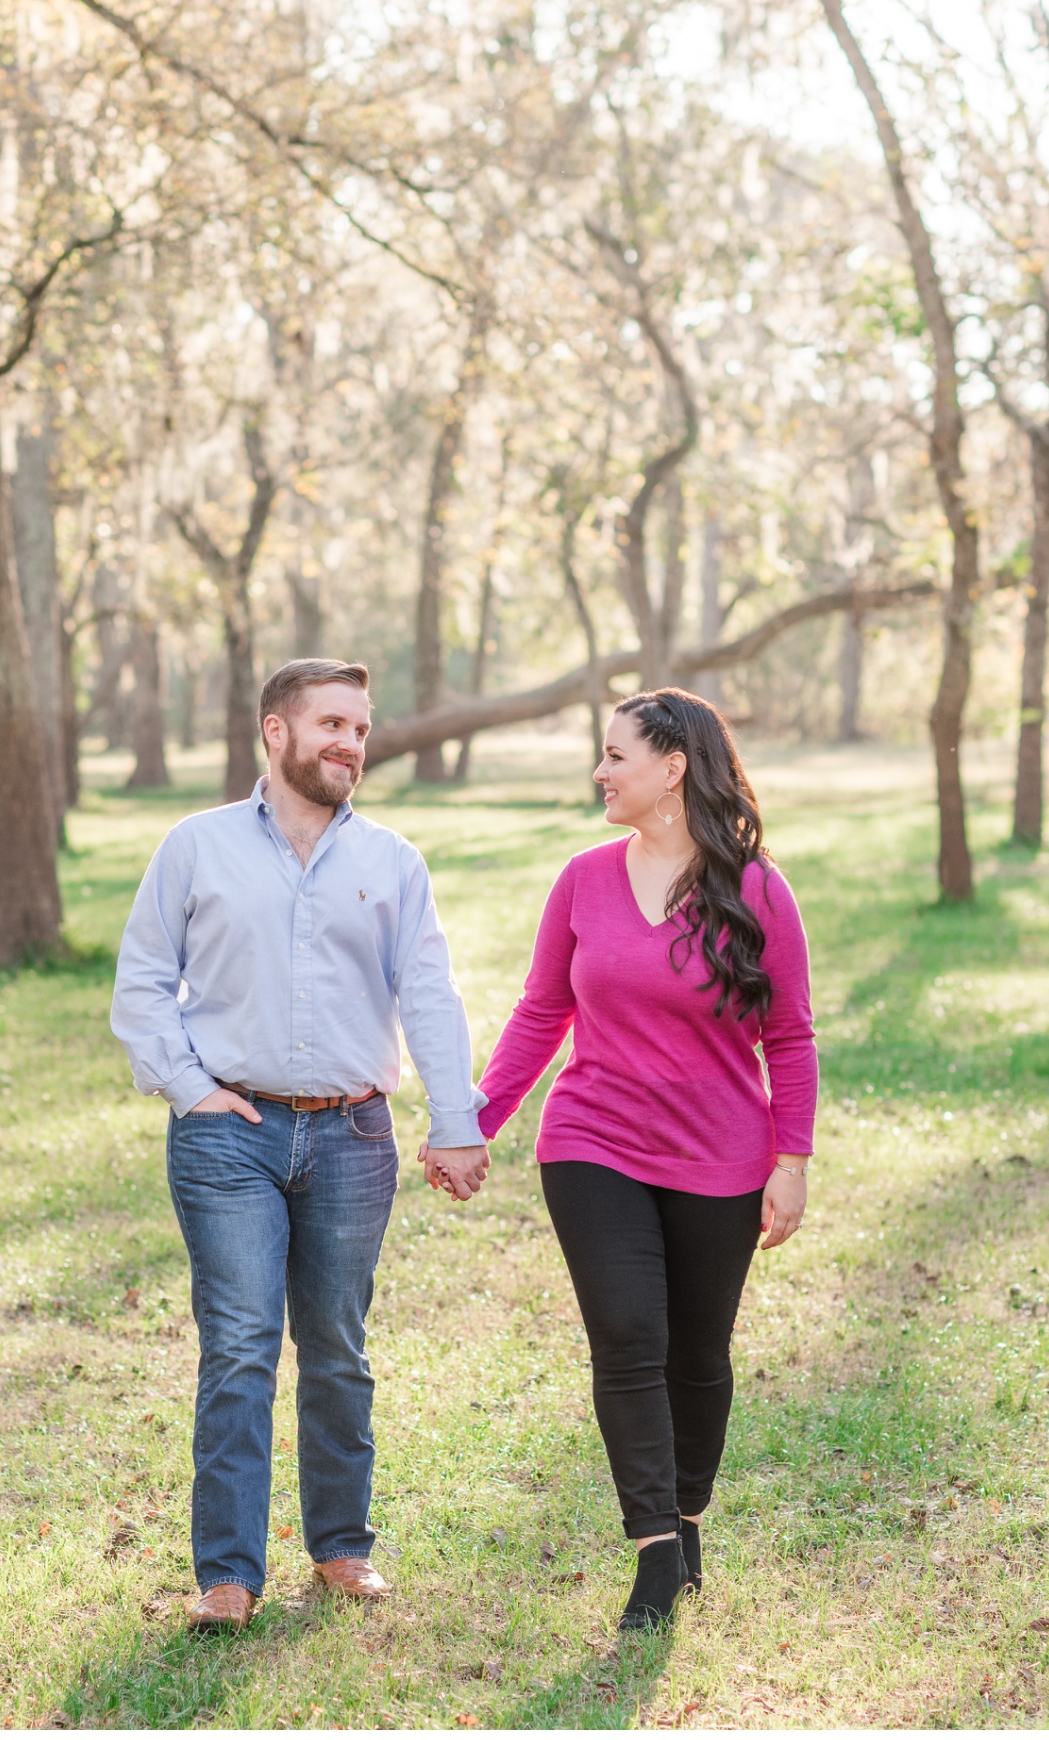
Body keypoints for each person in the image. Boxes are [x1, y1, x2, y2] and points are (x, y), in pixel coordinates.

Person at [425, 689, 816, 1632]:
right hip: (592, 1142)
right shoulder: (583, 878)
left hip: (722, 1157)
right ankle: (652, 1550)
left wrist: (791, 1160)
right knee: (629, 1340)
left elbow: (791, 1037)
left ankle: (687, 1521)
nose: (600, 773)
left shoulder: (757, 889)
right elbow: (540, 1013)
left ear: (672, 767)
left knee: (698, 1357)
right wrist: (473, 1119)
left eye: (614, 756)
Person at [112, 658, 490, 1632]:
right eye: (330, 723)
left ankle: (340, 1546)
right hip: (226, 1134)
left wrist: (455, 1123)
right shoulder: (194, 847)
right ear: (274, 733)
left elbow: (430, 1000)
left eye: (359, 728)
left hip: (355, 1133)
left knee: (336, 1346)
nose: (349, 744)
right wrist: (192, 1090)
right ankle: (227, 1574)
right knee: (238, 1347)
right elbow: (144, 981)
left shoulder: (391, 862)